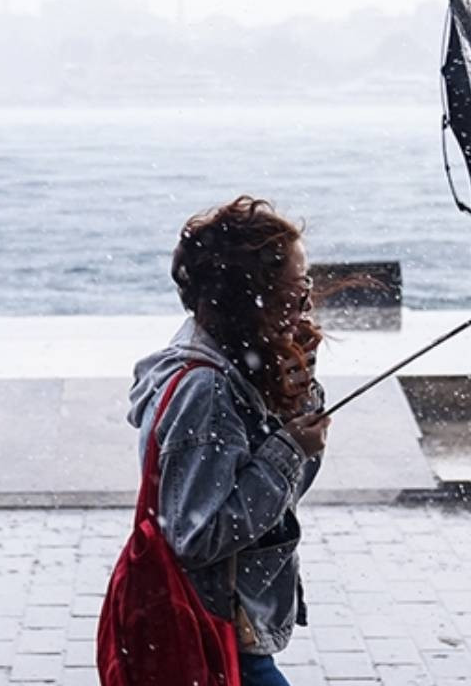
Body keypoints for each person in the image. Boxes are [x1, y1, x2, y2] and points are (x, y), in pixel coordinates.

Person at [126, 195, 329, 686]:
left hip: (225, 629)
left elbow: (279, 502)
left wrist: (296, 397)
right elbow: (197, 536)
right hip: (214, 631)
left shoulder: (232, 365)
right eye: (293, 293)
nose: (305, 307)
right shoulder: (207, 389)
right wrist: (288, 450)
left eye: (305, 289)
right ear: (249, 297)